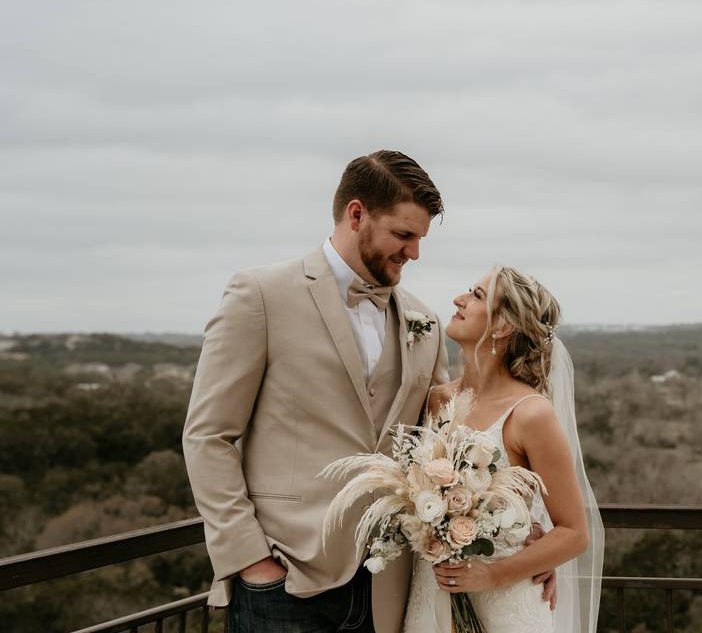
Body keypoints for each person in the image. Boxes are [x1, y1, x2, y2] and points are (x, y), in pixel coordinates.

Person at [182, 150, 450, 633]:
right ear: (356, 214)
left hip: (390, 588)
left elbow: (444, 444)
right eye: (403, 235)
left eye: (420, 239)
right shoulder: (260, 295)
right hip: (285, 584)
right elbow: (208, 436)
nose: (414, 253)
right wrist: (249, 559)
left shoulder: (424, 321)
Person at [402, 267, 604, 633]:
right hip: (430, 596)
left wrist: (493, 575)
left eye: (476, 296)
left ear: (503, 326)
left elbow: (574, 531)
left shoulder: (530, 414)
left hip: (503, 604)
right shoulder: (436, 401)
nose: (458, 300)